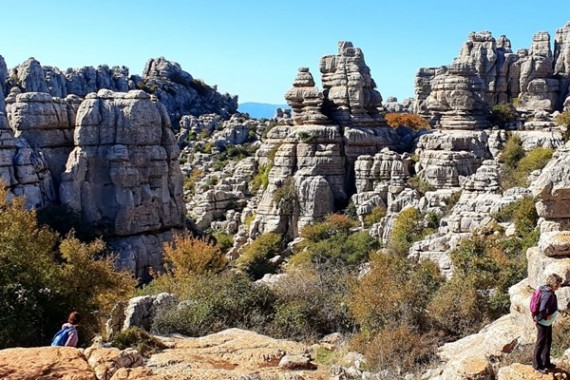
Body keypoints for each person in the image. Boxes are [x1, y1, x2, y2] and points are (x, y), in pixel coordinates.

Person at [532, 273, 563, 374]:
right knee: (540, 343)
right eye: (558, 283)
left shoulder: (545, 289)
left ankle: (546, 362)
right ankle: (537, 365)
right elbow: (542, 309)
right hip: (543, 322)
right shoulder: (548, 294)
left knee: (548, 341)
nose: (560, 286)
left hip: (546, 322)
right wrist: (546, 316)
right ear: (554, 284)